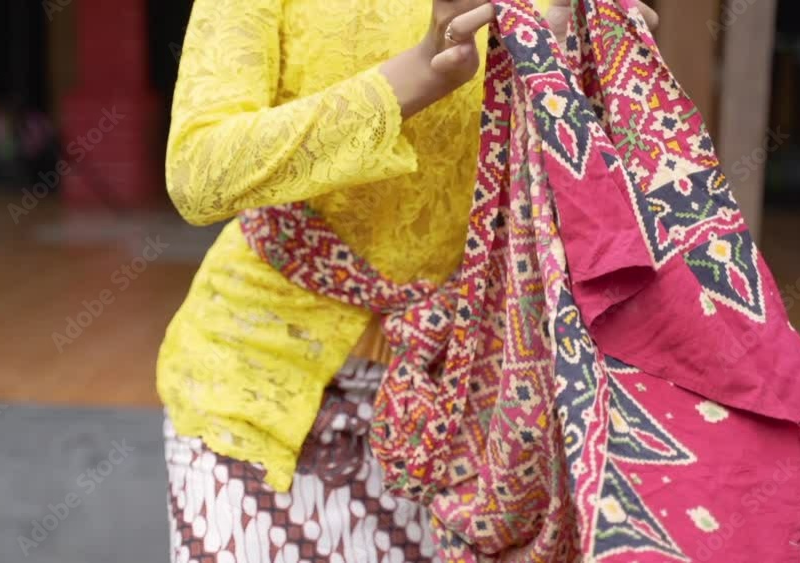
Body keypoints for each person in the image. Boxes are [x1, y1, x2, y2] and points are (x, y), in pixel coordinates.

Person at [157, 0, 658, 561]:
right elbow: (199, 174)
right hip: (253, 391)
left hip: (471, 411)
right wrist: (422, 72)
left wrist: (593, 68)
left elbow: (593, 208)